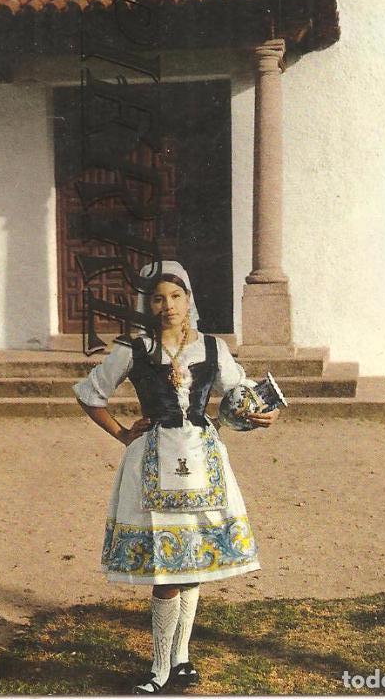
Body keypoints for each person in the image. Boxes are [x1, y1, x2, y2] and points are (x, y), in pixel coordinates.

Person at [73, 261, 278, 695]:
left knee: (191, 565)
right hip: (152, 461)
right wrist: (123, 433)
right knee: (165, 571)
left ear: (189, 301)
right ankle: (159, 667)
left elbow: (243, 393)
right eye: (159, 298)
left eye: (176, 297)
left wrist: (263, 411)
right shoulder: (134, 349)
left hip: (202, 460)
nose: (168, 306)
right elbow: (90, 393)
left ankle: (180, 659)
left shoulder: (212, 348)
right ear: (148, 304)